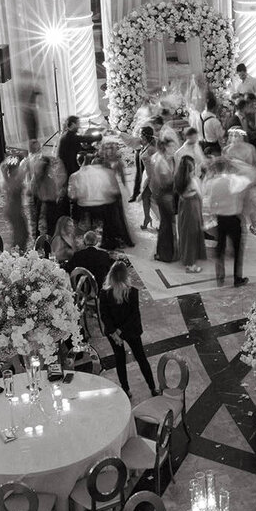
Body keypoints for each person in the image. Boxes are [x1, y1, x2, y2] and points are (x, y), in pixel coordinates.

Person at [99, 262, 157, 397]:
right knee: (141, 358)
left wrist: (114, 332)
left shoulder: (104, 293)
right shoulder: (132, 292)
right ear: (126, 275)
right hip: (131, 330)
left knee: (120, 360)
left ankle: (126, 390)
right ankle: (153, 388)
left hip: (113, 333)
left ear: (111, 275)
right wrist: (120, 331)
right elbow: (134, 316)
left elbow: (104, 315)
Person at [205, 160, 251, 286]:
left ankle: (219, 277)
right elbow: (249, 177)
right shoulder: (234, 180)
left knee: (220, 247)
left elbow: (210, 203)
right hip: (234, 217)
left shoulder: (212, 183)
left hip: (220, 218)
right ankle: (237, 278)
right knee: (237, 250)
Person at [68, 157, 130, 250]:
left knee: (84, 231)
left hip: (85, 208)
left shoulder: (79, 175)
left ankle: (87, 247)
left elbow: (73, 195)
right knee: (93, 230)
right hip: (99, 209)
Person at [149, 138, 177, 262]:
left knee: (166, 224)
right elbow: (165, 178)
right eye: (170, 146)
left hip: (164, 193)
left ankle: (167, 253)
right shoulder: (162, 160)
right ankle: (165, 254)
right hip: (165, 193)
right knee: (166, 225)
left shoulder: (161, 158)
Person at [175, 155, 205, 273]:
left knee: (185, 232)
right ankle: (190, 264)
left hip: (184, 205)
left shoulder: (179, 178)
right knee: (191, 234)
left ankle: (186, 256)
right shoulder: (192, 181)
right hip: (192, 207)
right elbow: (200, 194)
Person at [56, 115, 102, 187]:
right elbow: (84, 139)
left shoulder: (68, 134)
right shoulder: (69, 136)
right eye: (78, 123)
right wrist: (99, 137)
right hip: (66, 166)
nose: (79, 126)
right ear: (73, 124)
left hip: (69, 163)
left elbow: (80, 149)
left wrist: (93, 151)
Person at [0, 157, 29, 251]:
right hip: (14, 211)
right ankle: (17, 253)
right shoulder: (12, 181)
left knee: (23, 233)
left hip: (15, 210)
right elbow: (20, 179)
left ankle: (18, 251)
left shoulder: (11, 179)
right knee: (20, 235)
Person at [28, 153, 63, 238]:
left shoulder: (36, 179)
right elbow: (55, 194)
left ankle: (38, 237)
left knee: (39, 222)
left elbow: (31, 191)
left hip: (41, 203)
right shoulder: (50, 180)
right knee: (50, 226)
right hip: (49, 205)